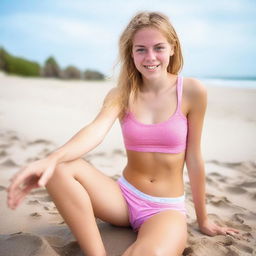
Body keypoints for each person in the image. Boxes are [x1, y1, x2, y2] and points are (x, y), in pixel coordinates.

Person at [7, 11, 239, 256]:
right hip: (123, 198)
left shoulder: (192, 91)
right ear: (131, 53)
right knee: (58, 167)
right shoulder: (121, 94)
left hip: (164, 208)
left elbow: (194, 158)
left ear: (172, 48)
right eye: (141, 49)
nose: (150, 57)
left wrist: (203, 219)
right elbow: (95, 131)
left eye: (158, 47)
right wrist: (50, 159)